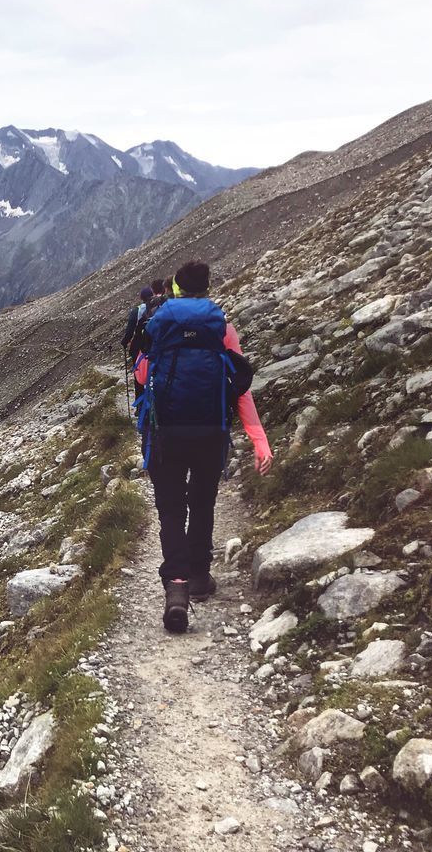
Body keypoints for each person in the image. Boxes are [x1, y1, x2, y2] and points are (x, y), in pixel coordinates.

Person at [134, 260, 273, 633]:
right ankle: (199, 576)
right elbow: (238, 388)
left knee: (171, 508)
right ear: (208, 289)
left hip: (166, 434)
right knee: (202, 501)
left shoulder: (159, 325)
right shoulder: (222, 329)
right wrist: (259, 440)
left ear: (176, 289)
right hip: (211, 432)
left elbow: (144, 375)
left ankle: (176, 585)